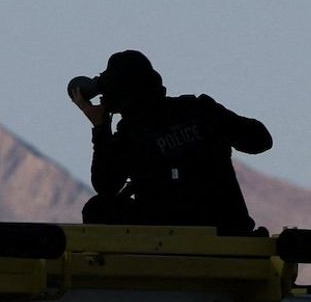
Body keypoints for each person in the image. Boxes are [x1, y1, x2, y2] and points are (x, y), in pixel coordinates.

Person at [70, 50, 272, 235]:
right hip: (228, 231)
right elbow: (261, 140)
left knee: (97, 209)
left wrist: (100, 127)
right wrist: (220, 127)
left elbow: (105, 186)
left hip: (166, 237)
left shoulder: (131, 136)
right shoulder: (200, 110)